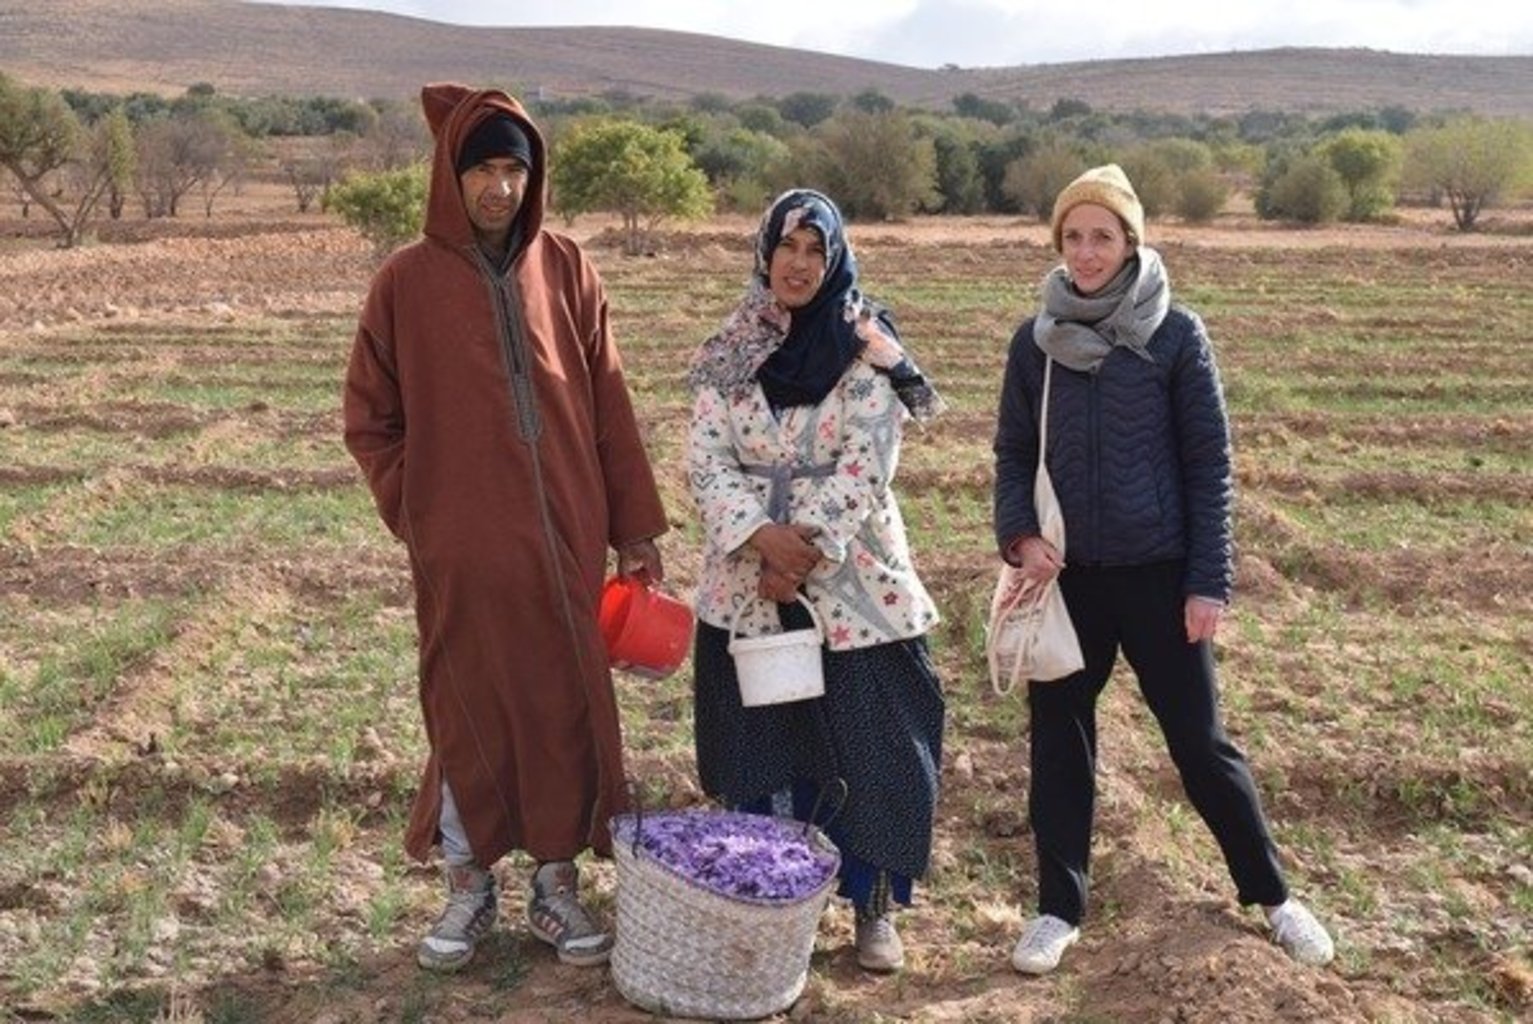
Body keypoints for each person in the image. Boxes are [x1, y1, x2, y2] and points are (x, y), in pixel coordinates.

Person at [343, 83, 669, 973]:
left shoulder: (566, 268)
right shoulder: (403, 283)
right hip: (462, 549)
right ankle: (466, 883)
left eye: (513, 171)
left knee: (563, 700)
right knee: (468, 702)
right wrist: (426, 513)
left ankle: (556, 887)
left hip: (568, 536)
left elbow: (608, 403)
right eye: (482, 169)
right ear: (452, 177)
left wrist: (632, 525)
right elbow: (370, 419)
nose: (499, 189)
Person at [992, 165, 1335, 974]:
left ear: (1130, 242)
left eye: (1100, 236)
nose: (1084, 252)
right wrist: (1018, 536)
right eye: (1071, 237)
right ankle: (1056, 909)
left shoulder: (1176, 335)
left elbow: (1209, 463)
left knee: (1199, 744)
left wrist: (1207, 581)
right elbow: (1012, 454)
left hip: (1159, 574)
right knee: (1060, 744)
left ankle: (1274, 898)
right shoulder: (1034, 340)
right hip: (1066, 580)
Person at [685, 188, 947, 974]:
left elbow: (871, 461)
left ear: (834, 261)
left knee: (871, 748)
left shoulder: (864, 343)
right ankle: (766, 905)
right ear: (762, 254)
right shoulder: (730, 349)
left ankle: (870, 909)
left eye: (814, 250)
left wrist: (801, 551)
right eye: (785, 248)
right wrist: (759, 539)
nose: (797, 265)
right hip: (745, 584)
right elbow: (705, 460)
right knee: (761, 748)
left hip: (853, 582)